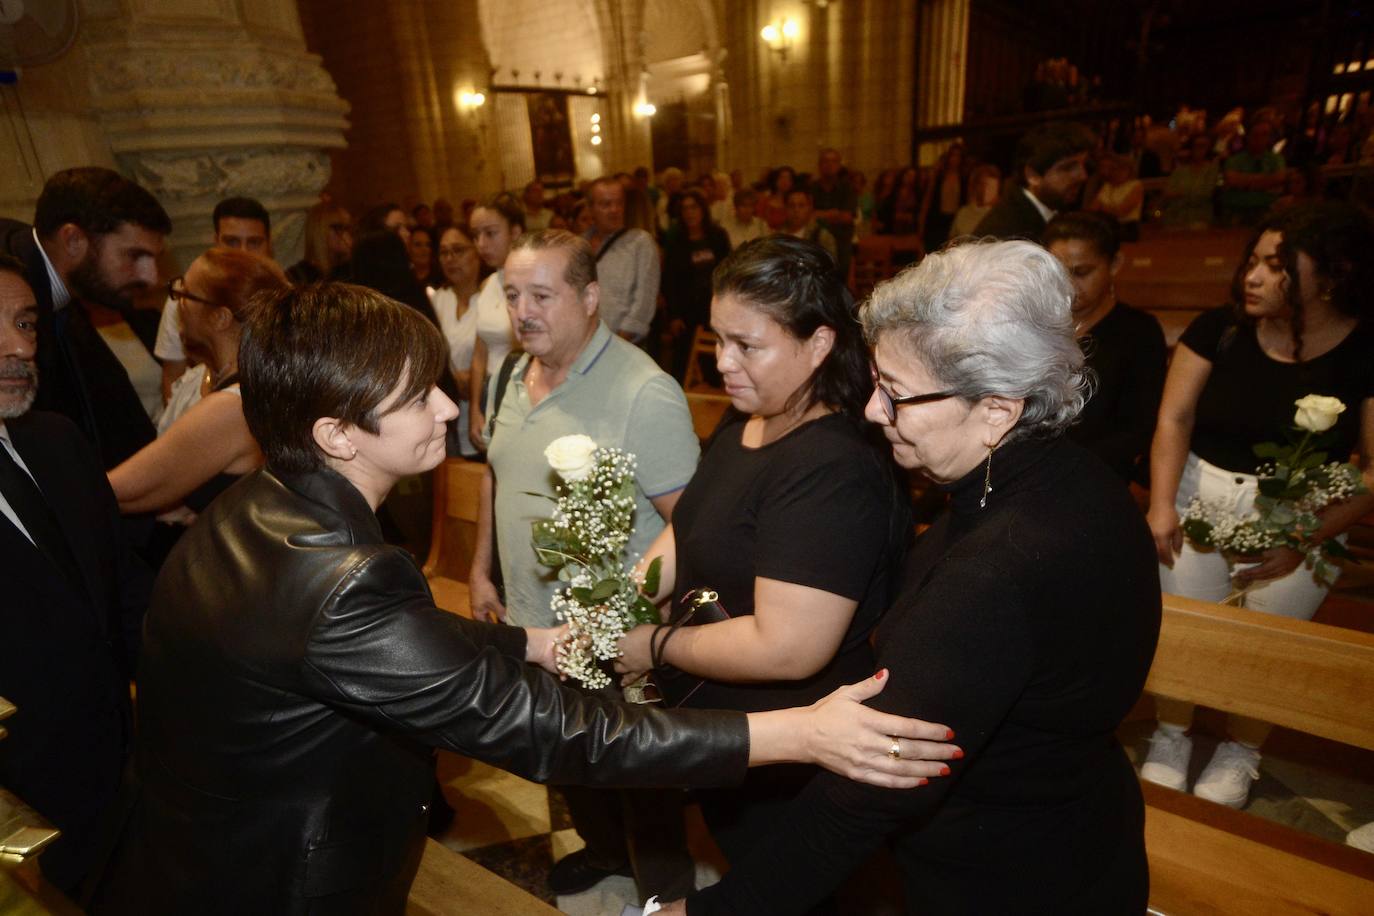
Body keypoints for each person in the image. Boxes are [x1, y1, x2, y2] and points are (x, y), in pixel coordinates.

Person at [102, 280, 958, 914]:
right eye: (414, 397)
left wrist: (527, 645)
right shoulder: (338, 578)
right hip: (279, 882)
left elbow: (377, 641)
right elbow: (555, 733)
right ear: (334, 433)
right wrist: (798, 732)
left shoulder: (259, 505)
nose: (447, 408)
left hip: (192, 851)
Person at [658, 239, 1160, 915]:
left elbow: (868, 790)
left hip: (1010, 880)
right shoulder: (1071, 479)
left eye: (894, 394)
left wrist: (712, 912)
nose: (872, 412)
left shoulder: (999, 568)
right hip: (1075, 834)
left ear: (997, 408)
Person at [615, 235, 912, 877]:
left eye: (747, 345)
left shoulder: (831, 465)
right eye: (719, 338)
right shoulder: (751, 413)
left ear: (819, 344)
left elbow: (788, 647)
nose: (723, 362)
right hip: (732, 737)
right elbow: (691, 523)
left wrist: (655, 644)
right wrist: (631, 594)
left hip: (793, 758)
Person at [468, 229, 702, 901]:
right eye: (512, 295)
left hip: (614, 631)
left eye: (542, 294)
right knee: (566, 754)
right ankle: (607, 853)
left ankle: (665, 894)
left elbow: (692, 521)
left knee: (639, 772)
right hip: (535, 624)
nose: (523, 311)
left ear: (591, 296)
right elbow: (495, 476)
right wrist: (483, 571)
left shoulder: (643, 391)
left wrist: (632, 612)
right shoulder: (514, 373)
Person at [1143, 202, 1374, 808]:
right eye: (1252, 261)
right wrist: (1162, 504)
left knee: (1270, 644)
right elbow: (1175, 416)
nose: (1252, 276)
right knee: (1188, 630)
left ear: (1331, 275)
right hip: (1199, 493)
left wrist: (1305, 536)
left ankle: (1242, 747)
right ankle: (1172, 734)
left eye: (1276, 266)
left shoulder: (1364, 348)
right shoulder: (1218, 328)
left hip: (1304, 512)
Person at [0, 254, 152, 901]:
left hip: (124, 776)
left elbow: (124, 590)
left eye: (27, 324)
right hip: (19, 812)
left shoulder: (56, 442)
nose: (19, 347)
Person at [0, 167, 170, 469]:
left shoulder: (64, 295)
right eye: (134, 256)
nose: (151, 278)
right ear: (74, 240)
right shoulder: (11, 280)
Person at [108, 248, 287, 520]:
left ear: (220, 318)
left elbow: (122, 490)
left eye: (185, 295)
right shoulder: (225, 381)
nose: (176, 304)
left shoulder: (232, 406)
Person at [1045, 212, 1167, 485]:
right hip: (1030, 471)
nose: (1068, 285)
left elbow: (1139, 429)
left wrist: (1059, 465)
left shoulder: (1138, 333)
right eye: (1057, 272)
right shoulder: (1037, 325)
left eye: (1081, 272)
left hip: (1097, 477)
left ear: (1114, 264)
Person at [152, 197, 272, 402]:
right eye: (232, 241)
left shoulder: (282, 297)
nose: (242, 252)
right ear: (216, 241)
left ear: (268, 244)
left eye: (254, 242)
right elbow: (172, 374)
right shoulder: (184, 299)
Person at [975, 121, 1097, 243]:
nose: (1082, 176)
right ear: (1033, 176)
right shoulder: (1009, 233)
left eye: (1084, 165)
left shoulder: (1047, 212)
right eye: (1068, 168)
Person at [466, 191, 523, 452]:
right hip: (491, 391)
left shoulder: (529, 283)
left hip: (521, 393)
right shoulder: (488, 284)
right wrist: (475, 410)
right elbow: (480, 354)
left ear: (515, 232)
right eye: (476, 235)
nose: (481, 243)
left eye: (490, 233)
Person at [661, 188, 732, 382]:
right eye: (684, 209)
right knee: (682, 367)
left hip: (715, 309)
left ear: (703, 209)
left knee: (716, 366)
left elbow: (729, 273)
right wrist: (674, 315)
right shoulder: (676, 241)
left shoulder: (718, 236)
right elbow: (669, 280)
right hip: (686, 313)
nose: (689, 212)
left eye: (693, 207)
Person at [583, 177, 661, 344]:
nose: (614, 210)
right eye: (606, 204)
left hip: (622, 344)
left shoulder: (640, 243)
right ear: (590, 209)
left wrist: (616, 344)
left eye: (619, 203)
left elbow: (643, 302)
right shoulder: (579, 245)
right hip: (582, 343)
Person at [429, 224, 482, 457]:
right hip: (446, 414)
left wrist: (478, 374)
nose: (450, 259)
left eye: (458, 250)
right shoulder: (437, 300)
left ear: (477, 252)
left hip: (482, 408)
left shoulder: (493, 298)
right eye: (444, 252)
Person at [1220, 119, 1287, 226]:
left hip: (1267, 210)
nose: (1259, 139)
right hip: (1237, 210)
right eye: (1256, 134)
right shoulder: (1234, 160)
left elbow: (1279, 178)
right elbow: (1232, 180)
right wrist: (1266, 181)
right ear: (1248, 136)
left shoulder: (1276, 159)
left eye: (1264, 135)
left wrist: (1245, 182)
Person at [811, 148, 858, 280]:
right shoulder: (812, 188)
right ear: (820, 165)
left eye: (834, 161)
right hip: (815, 242)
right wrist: (834, 213)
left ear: (839, 165)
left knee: (839, 279)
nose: (829, 165)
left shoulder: (847, 188)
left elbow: (847, 217)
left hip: (841, 241)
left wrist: (820, 214)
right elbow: (809, 216)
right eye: (826, 161)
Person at [286, 199, 352, 285]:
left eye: (348, 228)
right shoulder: (297, 276)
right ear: (320, 231)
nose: (345, 234)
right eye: (338, 227)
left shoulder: (350, 271)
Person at [1161, 133, 1220, 228]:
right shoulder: (1180, 170)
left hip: (1200, 217)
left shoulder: (1212, 170)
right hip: (1175, 216)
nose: (1200, 150)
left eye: (1203, 146)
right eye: (1197, 146)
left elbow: (1205, 193)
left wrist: (1181, 192)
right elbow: (1167, 192)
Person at [917, 143, 967, 252]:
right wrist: (921, 223)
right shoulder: (939, 177)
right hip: (937, 220)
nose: (955, 159)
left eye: (958, 156)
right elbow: (928, 200)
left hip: (954, 219)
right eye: (953, 155)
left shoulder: (963, 178)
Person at [1088, 152, 1145, 242]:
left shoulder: (1136, 186)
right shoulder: (1107, 186)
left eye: (1122, 170)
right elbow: (1092, 208)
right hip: (1107, 225)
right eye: (1115, 169)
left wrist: (1103, 207)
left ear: (1129, 171)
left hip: (1126, 227)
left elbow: (1122, 211)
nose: (1118, 173)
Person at [780, 188, 838, 261]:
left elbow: (832, 267)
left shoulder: (822, 237)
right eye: (792, 205)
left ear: (809, 208)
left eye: (801, 206)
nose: (796, 210)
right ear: (785, 208)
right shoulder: (778, 237)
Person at [948, 163, 1002, 238]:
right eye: (983, 185)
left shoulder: (1000, 216)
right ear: (975, 186)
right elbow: (952, 239)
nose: (986, 191)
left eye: (992, 187)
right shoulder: (963, 212)